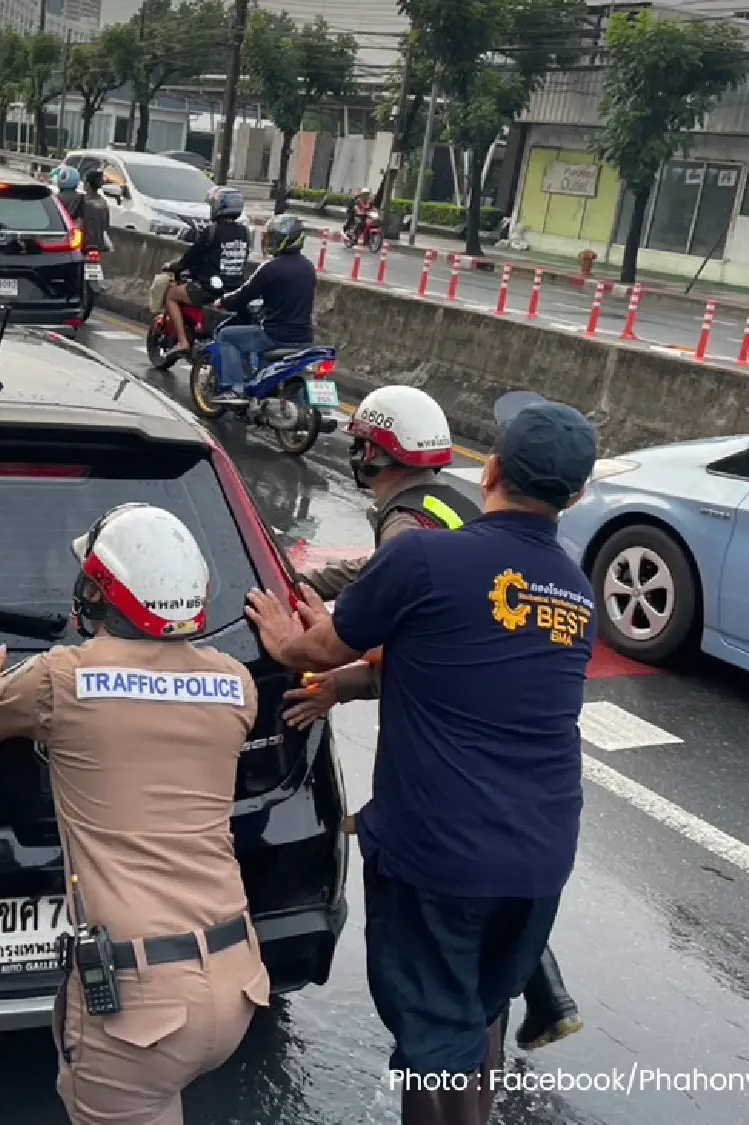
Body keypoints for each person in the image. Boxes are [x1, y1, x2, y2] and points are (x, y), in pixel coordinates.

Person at [244, 391, 599, 1125]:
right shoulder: (576, 586)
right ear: (579, 494)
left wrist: (286, 640)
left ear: (491, 466)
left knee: (436, 1042)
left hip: (441, 854)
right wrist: (343, 682)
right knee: (478, 1011)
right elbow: (443, 668)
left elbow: (318, 645)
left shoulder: (423, 554)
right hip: (539, 857)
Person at [0, 503, 269, 1125]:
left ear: (95, 588)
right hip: (237, 979)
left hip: (142, 1003)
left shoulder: (64, 678)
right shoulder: (236, 684)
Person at [209, 213, 313, 401]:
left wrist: (223, 302)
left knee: (226, 336)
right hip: (304, 338)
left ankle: (235, 388)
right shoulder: (308, 267)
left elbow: (245, 294)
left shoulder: (270, 268)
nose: (269, 241)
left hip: (275, 336)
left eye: (273, 237)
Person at [162, 186, 251, 360]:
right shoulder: (244, 232)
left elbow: (192, 256)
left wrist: (176, 266)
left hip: (209, 289)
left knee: (171, 295)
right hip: (234, 288)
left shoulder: (212, 231)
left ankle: (182, 342)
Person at [77, 168, 113, 256]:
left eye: (85, 182)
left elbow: (77, 223)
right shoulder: (103, 202)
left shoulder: (81, 200)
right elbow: (106, 226)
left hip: (83, 244)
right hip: (99, 245)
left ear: (88, 184)